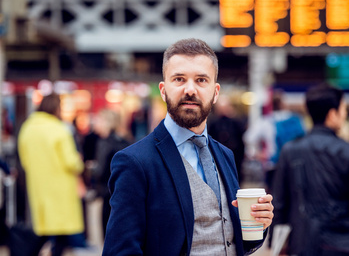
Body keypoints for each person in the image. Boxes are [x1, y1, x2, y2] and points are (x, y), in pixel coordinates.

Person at [103, 38, 274, 255]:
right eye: (179, 79)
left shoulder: (225, 155)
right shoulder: (135, 162)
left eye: (201, 80)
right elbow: (120, 251)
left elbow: (229, 239)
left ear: (216, 92)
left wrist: (258, 224)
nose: (190, 90)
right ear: (164, 90)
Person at [272, 83, 349, 256]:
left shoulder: (290, 151)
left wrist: (276, 244)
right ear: (332, 114)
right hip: (345, 244)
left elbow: (279, 203)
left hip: (303, 244)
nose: (344, 114)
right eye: (343, 109)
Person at [17, 93, 85, 256]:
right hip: (61, 188)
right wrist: (79, 161)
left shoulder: (28, 128)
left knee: (45, 229)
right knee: (60, 229)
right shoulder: (59, 129)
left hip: (39, 186)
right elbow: (71, 162)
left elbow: (24, 159)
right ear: (56, 108)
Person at [92, 109, 130, 238]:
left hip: (107, 193)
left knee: (108, 235)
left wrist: (90, 168)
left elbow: (100, 170)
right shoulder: (126, 141)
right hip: (124, 192)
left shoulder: (105, 143)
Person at [208, 95, 246, 181]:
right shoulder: (214, 122)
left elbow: (241, 139)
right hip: (218, 155)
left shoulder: (235, 122)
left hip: (235, 154)